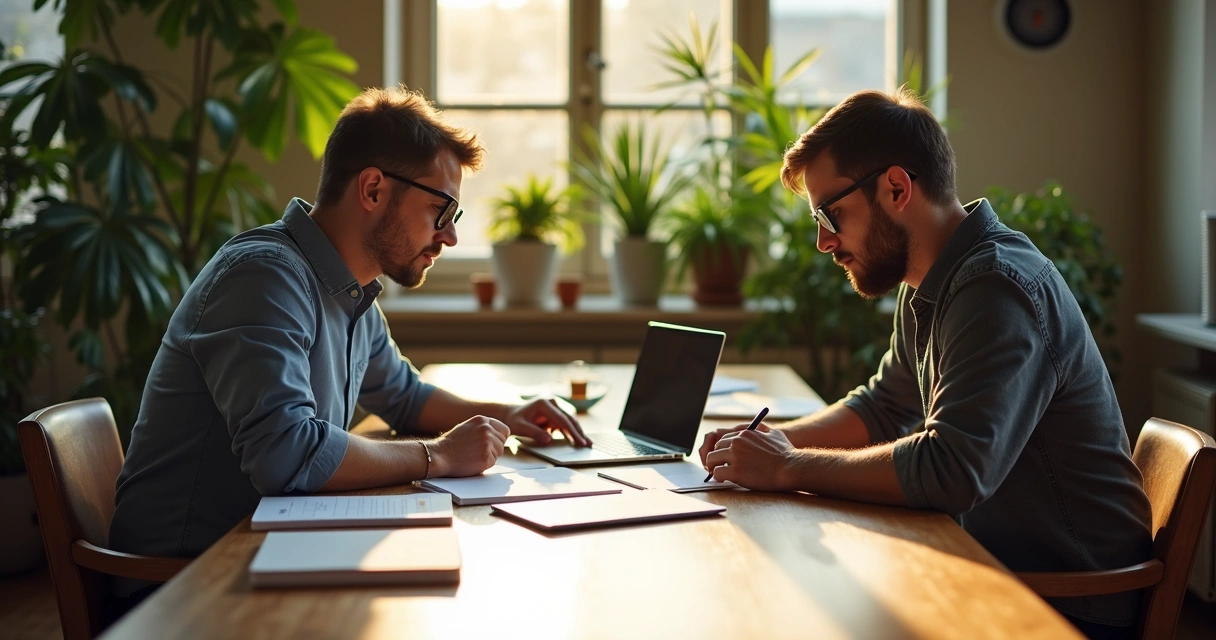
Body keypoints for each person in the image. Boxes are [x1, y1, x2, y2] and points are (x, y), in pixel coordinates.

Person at [700, 88, 1151, 639]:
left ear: (896, 188)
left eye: (831, 214)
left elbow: (952, 468)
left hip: (1068, 603)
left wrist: (786, 468)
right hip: (994, 566)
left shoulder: (996, 286)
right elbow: (883, 407)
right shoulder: (931, 285)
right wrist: (770, 446)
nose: (823, 241)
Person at [109, 87, 590, 600]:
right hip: (185, 586)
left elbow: (405, 397)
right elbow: (285, 455)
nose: (449, 237)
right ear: (374, 189)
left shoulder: (350, 291)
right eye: (440, 210)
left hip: (269, 552)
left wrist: (508, 413)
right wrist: (439, 457)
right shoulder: (263, 277)